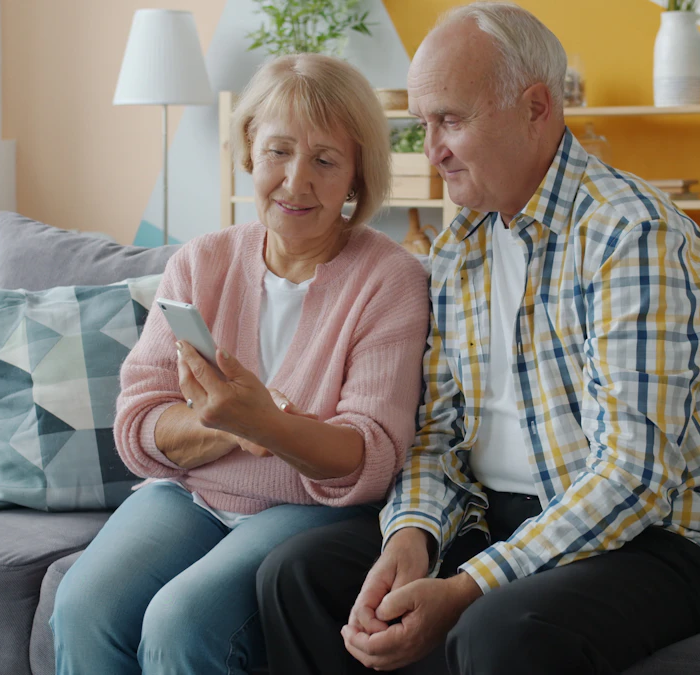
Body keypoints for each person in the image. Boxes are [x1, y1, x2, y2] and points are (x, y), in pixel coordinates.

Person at [256, 4, 700, 674]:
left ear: (536, 107)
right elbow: (437, 432)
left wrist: (468, 584)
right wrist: (412, 535)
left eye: (451, 120)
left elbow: (634, 479)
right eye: (423, 122)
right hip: (497, 515)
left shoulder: (629, 234)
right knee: (297, 575)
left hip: (663, 536)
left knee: (499, 631)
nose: (430, 148)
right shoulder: (460, 245)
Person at [49, 53, 430, 675]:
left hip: (305, 510)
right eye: (279, 151)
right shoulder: (201, 262)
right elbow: (140, 420)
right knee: (82, 605)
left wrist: (268, 426)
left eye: (325, 160)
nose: (295, 181)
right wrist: (233, 422)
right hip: (186, 495)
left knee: (180, 621)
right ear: (251, 149)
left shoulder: (391, 279)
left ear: (358, 174)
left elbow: (372, 455)